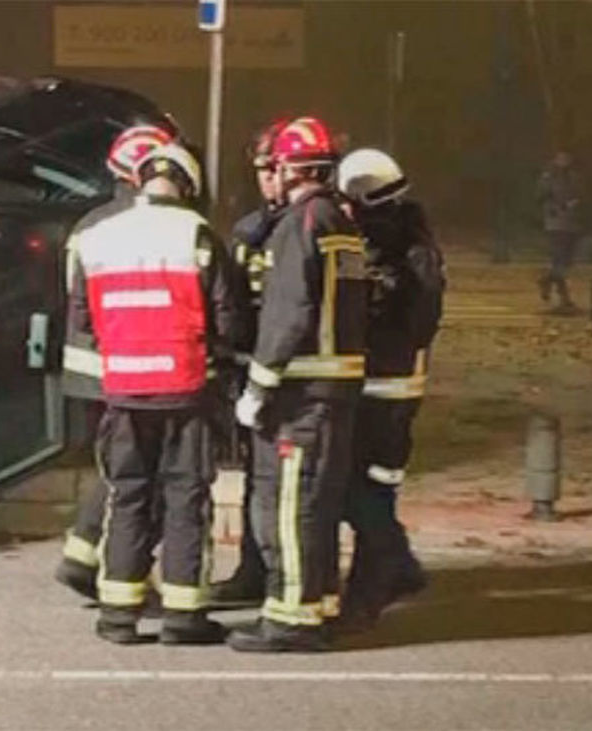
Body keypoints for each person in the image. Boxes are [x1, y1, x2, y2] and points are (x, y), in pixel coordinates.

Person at [67, 142, 237, 645]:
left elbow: (81, 318)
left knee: (128, 496)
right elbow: (228, 320)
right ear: (186, 186)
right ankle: (184, 615)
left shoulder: (99, 237)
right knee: (186, 498)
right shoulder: (197, 234)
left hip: (122, 393)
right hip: (185, 391)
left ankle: (118, 616)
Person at [230, 117, 369, 653]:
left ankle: (291, 620)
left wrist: (259, 387)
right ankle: (317, 603)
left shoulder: (298, 225)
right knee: (318, 504)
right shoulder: (340, 221)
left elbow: (289, 314)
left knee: (290, 507)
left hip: (300, 394)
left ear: (289, 168)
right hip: (336, 390)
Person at [55, 123, 176, 600]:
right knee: (140, 471)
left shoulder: (91, 222)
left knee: (119, 467)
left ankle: (86, 556)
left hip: (89, 367)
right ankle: (99, 562)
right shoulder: (148, 223)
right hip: (125, 363)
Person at [334, 148, 445, 632]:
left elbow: (417, 323)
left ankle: (373, 585)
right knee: (372, 488)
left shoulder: (403, 254)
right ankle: (399, 567)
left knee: (363, 489)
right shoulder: (407, 243)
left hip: (384, 388)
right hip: (386, 385)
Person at [206, 120, 289, 607]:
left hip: (299, 379)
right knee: (259, 481)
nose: (267, 178)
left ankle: (292, 579)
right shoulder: (249, 231)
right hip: (253, 372)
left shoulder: (313, 224)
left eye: (273, 167)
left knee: (294, 491)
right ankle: (254, 570)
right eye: (260, 168)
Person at [536, 151, 581, 312]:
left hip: (571, 223)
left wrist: (575, 204)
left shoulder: (573, 177)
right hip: (555, 224)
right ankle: (565, 298)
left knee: (565, 263)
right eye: (561, 158)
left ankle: (546, 280)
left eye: (567, 158)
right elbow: (541, 197)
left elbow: (578, 196)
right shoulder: (548, 177)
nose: (564, 161)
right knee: (559, 261)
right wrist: (557, 206)